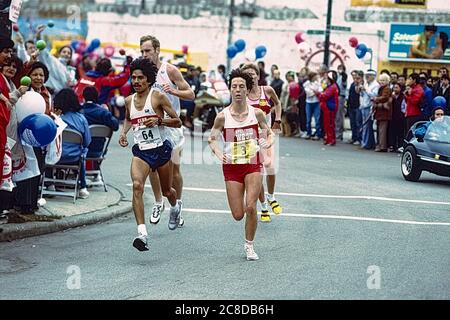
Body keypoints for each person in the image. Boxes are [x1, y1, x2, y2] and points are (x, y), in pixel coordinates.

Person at [208, 68, 273, 260]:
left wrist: (266, 142)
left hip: (252, 163)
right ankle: (247, 229)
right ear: (230, 89)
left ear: (247, 90)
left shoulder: (257, 113)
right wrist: (220, 153)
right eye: (234, 86)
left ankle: (249, 246)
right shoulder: (222, 116)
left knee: (250, 207)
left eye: (241, 87)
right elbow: (211, 139)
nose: (237, 90)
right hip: (232, 168)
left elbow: (269, 133)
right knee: (238, 214)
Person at [119, 57, 182, 252]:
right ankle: (142, 234)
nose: (136, 81)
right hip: (142, 152)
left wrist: (159, 121)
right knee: (137, 186)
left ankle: (175, 207)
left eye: (140, 78)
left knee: (167, 191)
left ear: (149, 80)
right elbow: (129, 118)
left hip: (161, 149)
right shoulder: (128, 100)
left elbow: (177, 121)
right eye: (133, 78)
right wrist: (123, 133)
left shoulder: (158, 97)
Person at [140, 35, 195, 228]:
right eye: (142, 51)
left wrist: (173, 91)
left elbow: (190, 94)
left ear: (157, 50)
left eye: (147, 50)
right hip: (152, 126)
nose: (144, 54)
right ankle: (158, 203)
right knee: (153, 167)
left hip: (172, 125)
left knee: (175, 169)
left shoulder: (169, 70)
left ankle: (177, 206)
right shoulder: (143, 72)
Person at [241, 62, 282, 223]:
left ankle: (271, 196)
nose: (251, 77)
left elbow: (278, 103)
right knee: (256, 173)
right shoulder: (242, 94)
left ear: (258, 75)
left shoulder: (267, 90)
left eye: (253, 74)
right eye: (247, 75)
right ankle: (264, 206)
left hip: (266, 134)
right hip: (250, 137)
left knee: (270, 166)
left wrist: (277, 119)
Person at [54, 88, 92, 199]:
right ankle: (82, 187)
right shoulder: (81, 119)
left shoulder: (55, 118)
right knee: (83, 152)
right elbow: (87, 142)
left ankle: (49, 183)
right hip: (74, 157)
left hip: (55, 157)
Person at [314, 70, 339, 146]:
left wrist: (317, 93)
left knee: (329, 124)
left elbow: (324, 96)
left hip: (329, 108)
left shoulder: (332, 87)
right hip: (327, 108)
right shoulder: (330, 86)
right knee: (327, 124)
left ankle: (330, 139)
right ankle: (328, 138)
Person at [356, 69, 379, 150]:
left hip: (370, 106)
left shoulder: (376, 85)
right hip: (364, 105)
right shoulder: (367, 84)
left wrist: (366, 90)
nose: (367, 77)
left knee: (367, 125)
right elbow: (363, 95)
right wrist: (361, 90)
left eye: (368, 76)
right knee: (366, 125)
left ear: (373, 76)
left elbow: (374, 95)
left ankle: (366, 143)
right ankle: (369, 142)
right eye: (366, 76)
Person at [372, 73, 392, 152]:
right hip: (381, 112)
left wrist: (376, 99)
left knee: (382, 130)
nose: (382, 82)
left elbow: (385, 97)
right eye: (381, 80)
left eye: (384, 80)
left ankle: (382, 146)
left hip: (384, 112)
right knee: (380, 130)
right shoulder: (382, 88)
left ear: (387, 81)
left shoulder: (386, 88)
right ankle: (380, 145)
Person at [302, 71, 322, 140]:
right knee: (308, 119)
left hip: (316, 102)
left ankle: (317, 134)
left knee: (317, 119)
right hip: (309, 102)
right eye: (315, 76)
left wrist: (314, 91)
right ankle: (308, 133)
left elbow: (320, 91)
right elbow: (308, 93)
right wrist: (315, 92)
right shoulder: (306, 84)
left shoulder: (318, 83)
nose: (316, 77)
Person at [346, 70, 362, 145]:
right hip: (351, 106)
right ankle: (354, 137)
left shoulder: (360, 85)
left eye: (356, 76)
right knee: (352, 123)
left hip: (358, 106)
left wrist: (358, 84)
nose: (354, 77)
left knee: (358, 123)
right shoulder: (352, 84)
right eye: (353, 76)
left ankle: (359, 138)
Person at [335, 64, 348, 141]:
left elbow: (344, 85)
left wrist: (344, 78)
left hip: (341, 96)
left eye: (341, 68)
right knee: (335, 116)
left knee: (339, 116)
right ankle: (336, 132)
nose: (340, 70)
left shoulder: (344, 77)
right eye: (339, 68)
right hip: (335, 95)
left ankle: (339, 133)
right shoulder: (337, 77)